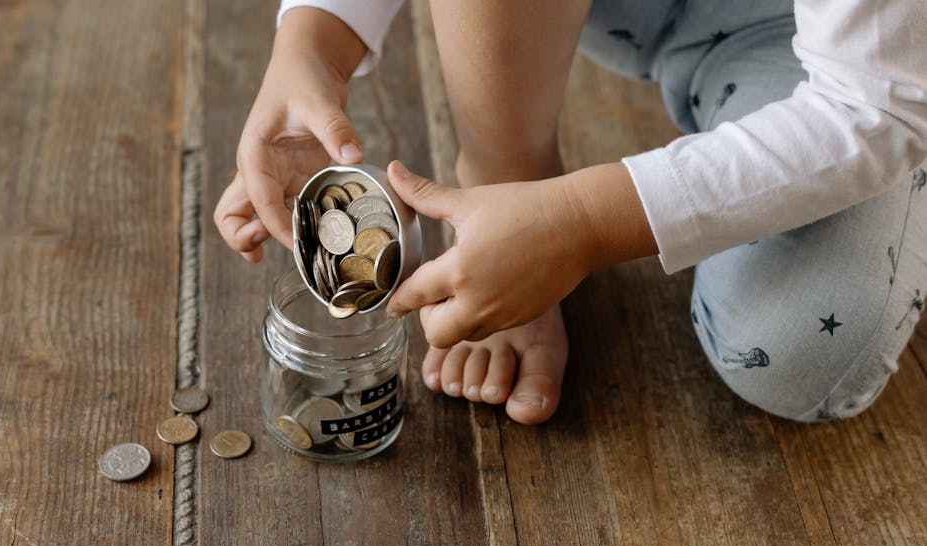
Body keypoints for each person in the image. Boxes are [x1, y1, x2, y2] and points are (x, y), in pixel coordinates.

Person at [214, 1, 927, 425]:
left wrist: (585, 221)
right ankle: (506, 178)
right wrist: (315, 37)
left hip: (844, 53)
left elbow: (876, 103)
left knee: (800, 350)